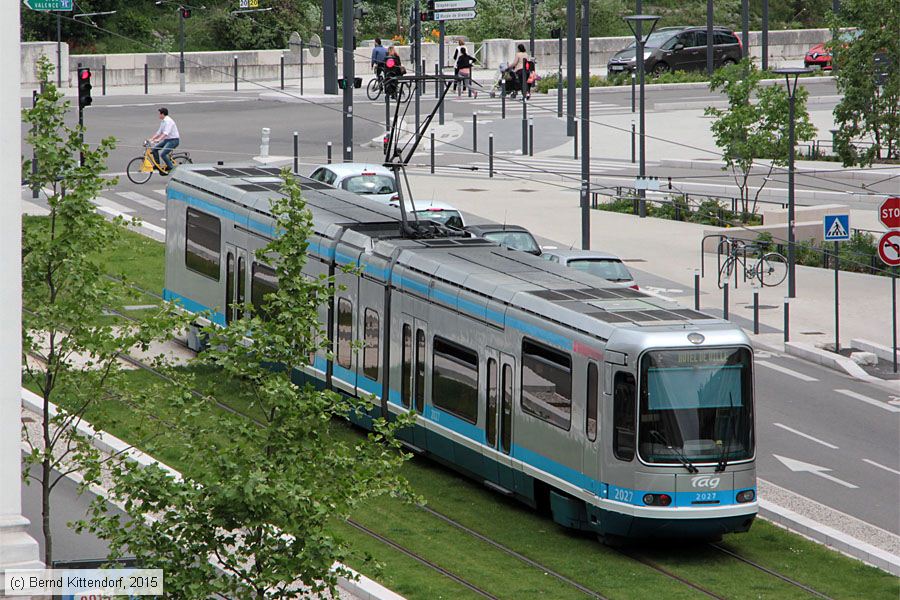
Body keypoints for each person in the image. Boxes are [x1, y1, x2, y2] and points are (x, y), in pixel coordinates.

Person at [147, 107, 180, 175]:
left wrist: (158, 140)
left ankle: (171, 168)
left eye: (159, 114)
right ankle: (157, 165)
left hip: (173, 140)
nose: (158, 115)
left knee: (163, 154)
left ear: (162, 114)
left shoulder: (168, 121)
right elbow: (159, 132)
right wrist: (151, 139)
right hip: (167, 140)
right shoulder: (163, 121)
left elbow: (165, 133)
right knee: (154, 149)